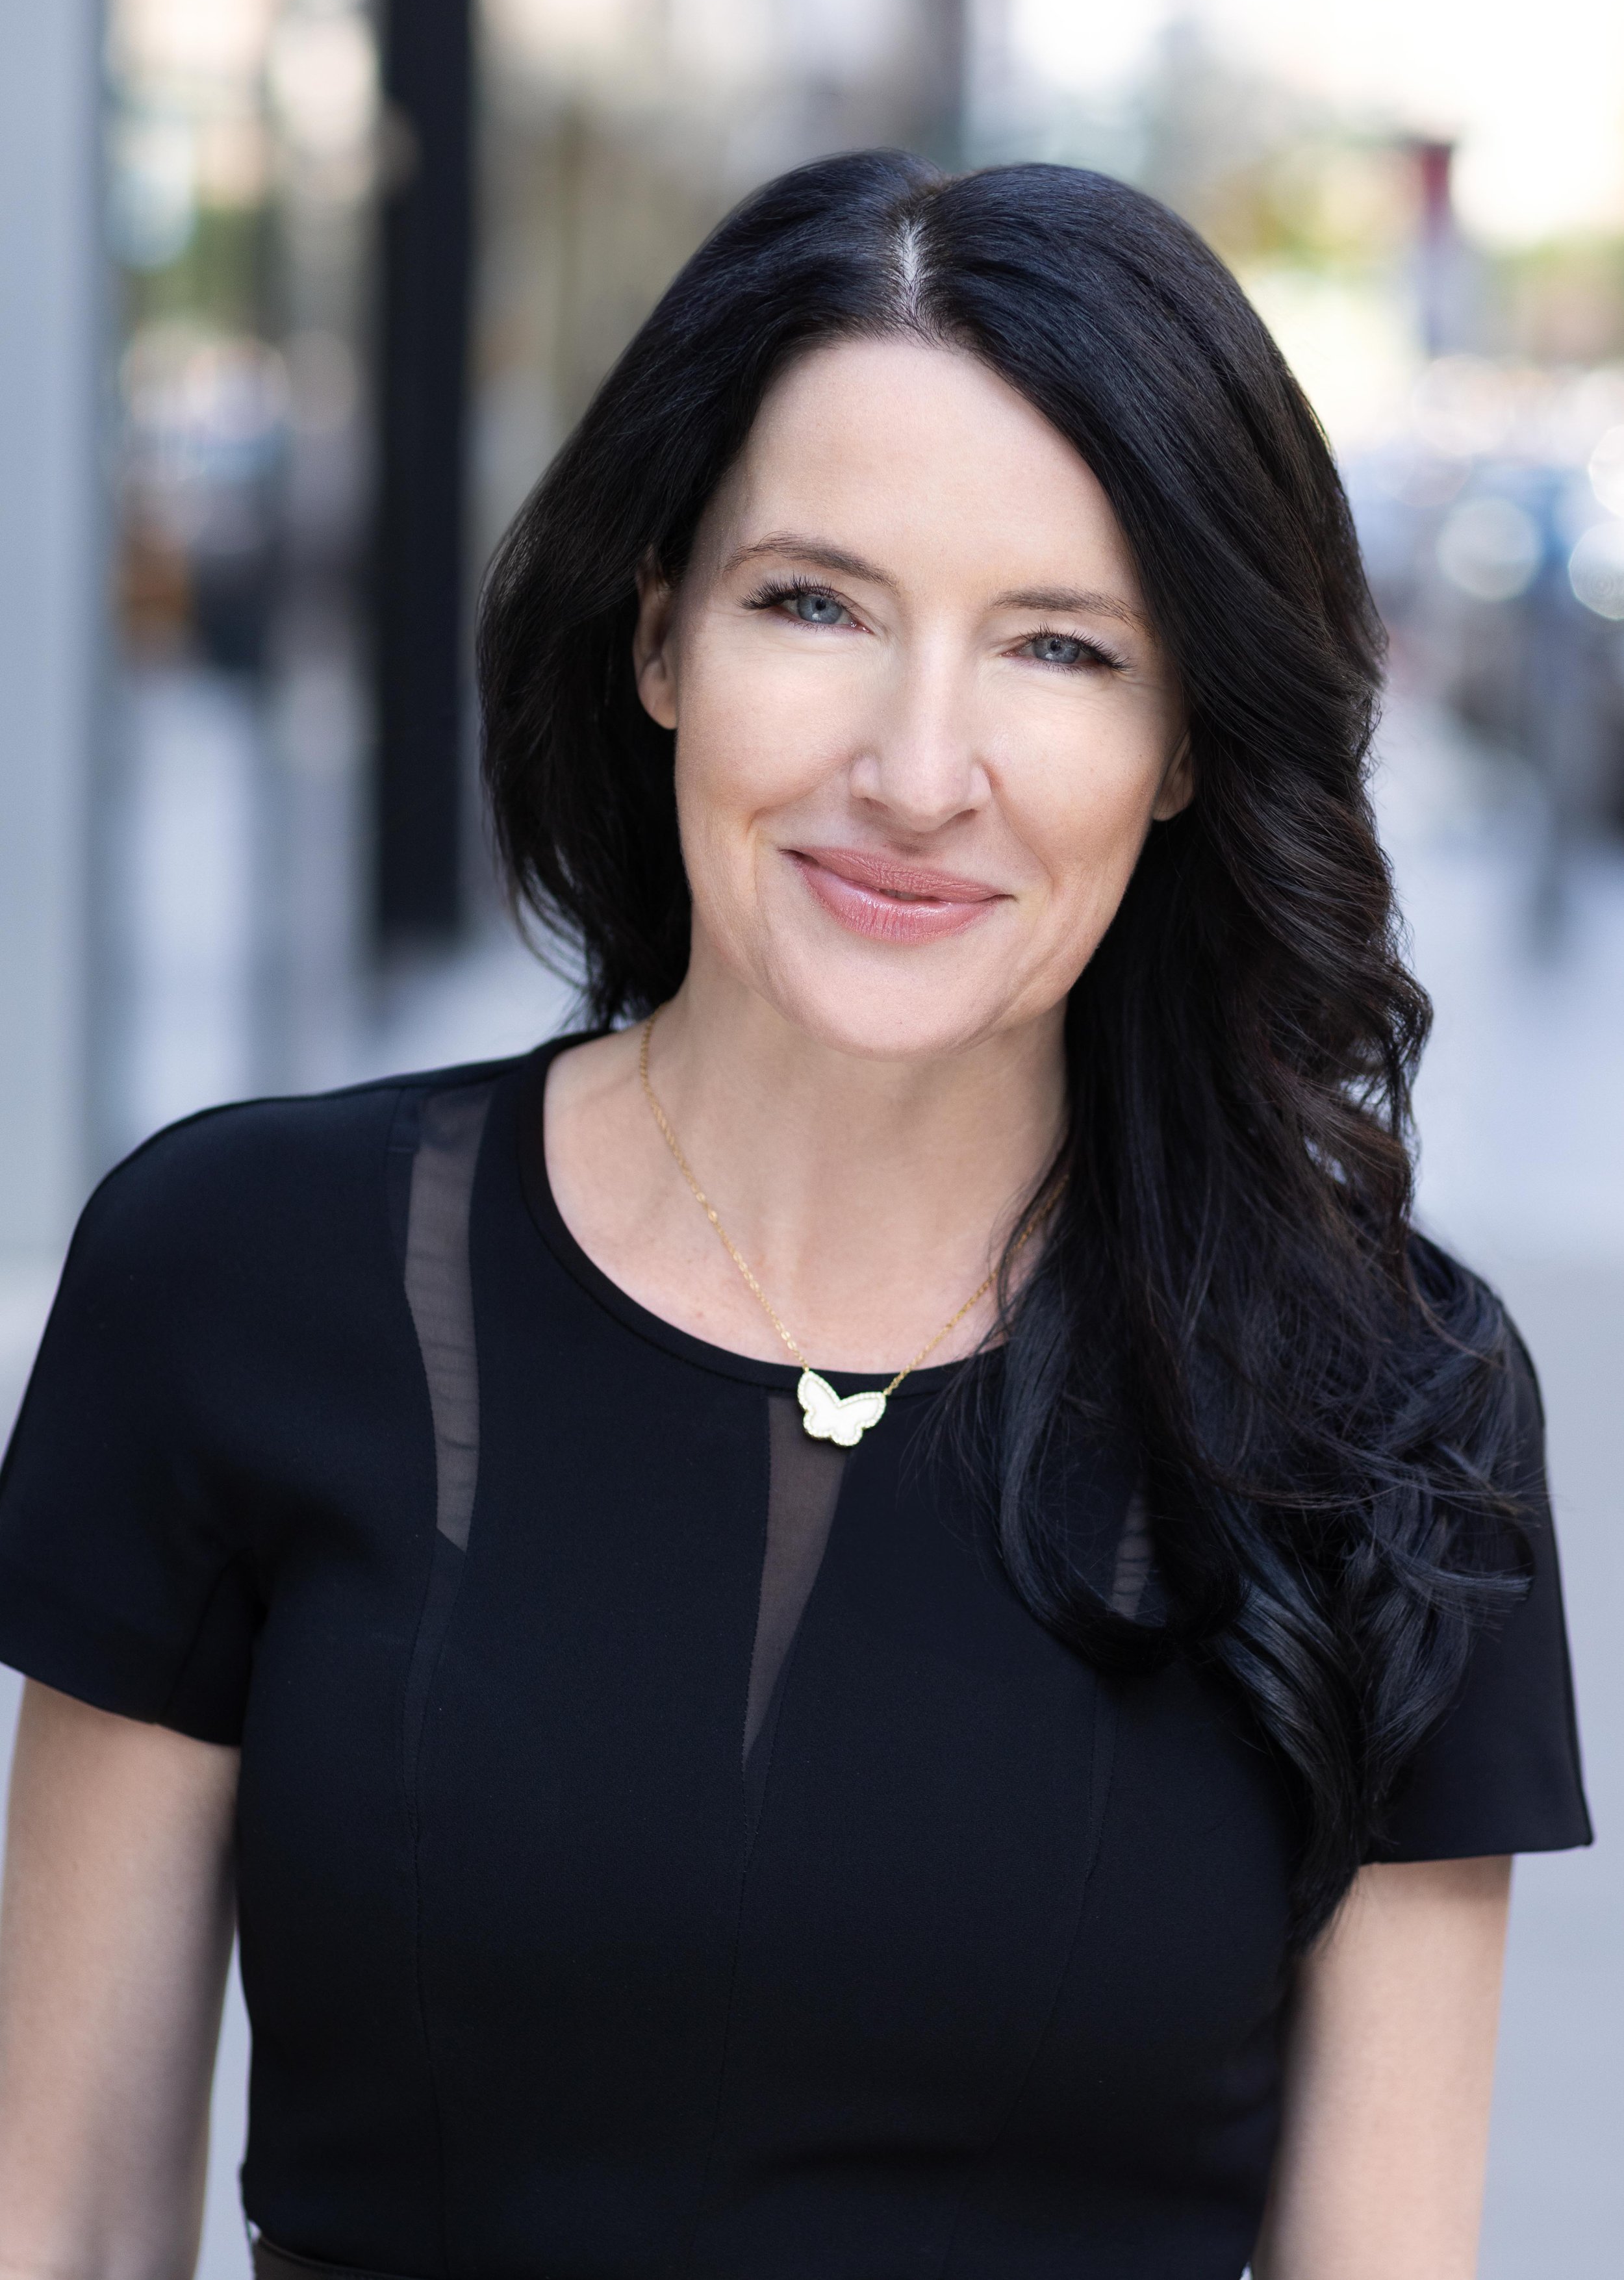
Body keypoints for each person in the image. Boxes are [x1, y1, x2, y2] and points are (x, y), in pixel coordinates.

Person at [0, 153, 1590, 2280]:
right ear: (657, 632)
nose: (917, 769)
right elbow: (65, 2222)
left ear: (1185, 742)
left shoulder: (1388, 1400)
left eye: (1055, 646)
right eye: (814, 603)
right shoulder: (236, 1275)